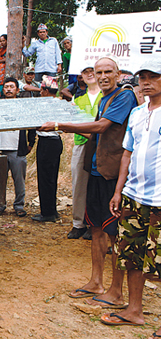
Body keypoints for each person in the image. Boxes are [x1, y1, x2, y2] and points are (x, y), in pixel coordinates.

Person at [39, 56, 138, 307]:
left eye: (108, 72)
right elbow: (91, 129)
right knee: (96, 228)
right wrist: (60, 125)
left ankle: (116, 291)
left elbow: (102, 127)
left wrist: (62, 124)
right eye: (98, 72)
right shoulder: (104, 99)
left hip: (112, 175)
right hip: (96, 171)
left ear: (118, 74)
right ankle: (96, 281)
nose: (103, 76)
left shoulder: (123, 97)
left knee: (114, 232)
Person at [100, 61, 161, 333]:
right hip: (134, 195)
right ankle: (134, 310)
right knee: (132, 255)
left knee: (158, 260)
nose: (146, 82)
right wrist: (118, 191)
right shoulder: (137, 113)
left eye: (153, 77)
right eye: (143, 78)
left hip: (160, 199)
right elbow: (127, 153)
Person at [0, 77, 35, 218]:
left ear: (17, 90)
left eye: (12, 87)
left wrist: (31, 143)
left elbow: (31, 125)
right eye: (6, 86)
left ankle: (19, 205)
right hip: (1, 150)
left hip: (18, 149)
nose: (9, 89)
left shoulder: (23, 107)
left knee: (19, 180)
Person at [67, 67, 101, 240]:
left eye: (92, 70)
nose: (89, 74)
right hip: (82, 144)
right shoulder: (78, 99)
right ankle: (78, 223)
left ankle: (95, 223)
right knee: (79, 184)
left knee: (97, 185)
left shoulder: (107, 97)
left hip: (102, 145)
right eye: (85, 71)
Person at [32, 76, 63, 222]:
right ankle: (51, 210)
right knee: (52, 177)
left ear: (45, 90)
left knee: (45, 177)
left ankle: (47, 212)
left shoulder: (45, 104)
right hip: (55, 141)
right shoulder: (59, 104)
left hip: (47, 141)